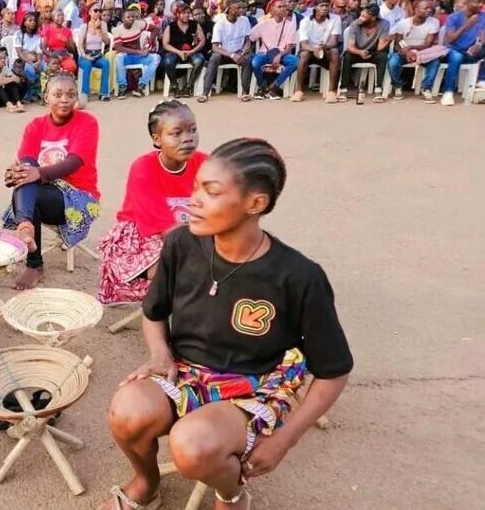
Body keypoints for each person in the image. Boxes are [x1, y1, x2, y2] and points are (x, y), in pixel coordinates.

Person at [102, 136, 353, 510]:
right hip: (185, 370)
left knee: (192, 446)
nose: (194, 201)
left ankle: (232, 496)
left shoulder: (298, 277)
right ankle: (147, 482)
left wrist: (286, 440)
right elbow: (154, 313)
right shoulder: (181, 244)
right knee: (126, 411)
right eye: (195, 188)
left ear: (255, 203)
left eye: (211, 191)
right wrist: (159, 354)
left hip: (255, 383)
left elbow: (333, 372)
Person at [97, 99, 206, 306]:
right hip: (142, 236)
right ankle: (166, 309)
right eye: (176, 133)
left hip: (191, 232)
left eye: (192, 130)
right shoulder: (144, 167)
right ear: (157, 140)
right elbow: (166, 230)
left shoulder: (204, 163)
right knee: (178, 260)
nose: (188, 139)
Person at [2, 73, 100, 290]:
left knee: (29, 179)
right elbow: (26, 165)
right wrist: (14, 174)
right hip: (43, 192)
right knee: (25, 171)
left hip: (78, 197)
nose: (64, 99)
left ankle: (27, 239)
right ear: (46, 97)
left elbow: (74, 162)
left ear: (77, 99)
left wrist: (39, 173)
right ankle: (30, 247)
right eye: (57, 94)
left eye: (70, 94)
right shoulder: (35, 126)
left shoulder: (87, 122)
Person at [388, 0, 443, 102]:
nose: (429, 10)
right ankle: (397, 86)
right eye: (425, 8)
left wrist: (411, 48)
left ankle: (426, 89)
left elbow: (428, 44)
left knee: (435, 61)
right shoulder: (403, 24)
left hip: (423, 53)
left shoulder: (434, 22)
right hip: (405, 52)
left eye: (431, 8)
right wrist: (407, 51)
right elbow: (397, 42)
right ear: (416, 9)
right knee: (393, 61)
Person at [200, 0, 253, 103]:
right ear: (229, 9)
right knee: (214, 57)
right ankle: (205, 93)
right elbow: (215, 47)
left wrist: (245, 49)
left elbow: (248, 39)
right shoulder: (220, 24)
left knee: (248, 58)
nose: (241, 10)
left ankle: (245, 92)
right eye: (238, 8)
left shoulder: (245, 20)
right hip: (225, 53)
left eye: (242, 8)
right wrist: (232, 55)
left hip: (239, 52)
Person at [292, 0, 342, 103]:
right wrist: (314, 49)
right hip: (310, 51)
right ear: (315, 7)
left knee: (335, 52)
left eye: (327, 6)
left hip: (326, 50)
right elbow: (304, 44)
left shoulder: (335, 19)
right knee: (304, 55)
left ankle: (331, 92)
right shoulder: (305, 21)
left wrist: (324, 47)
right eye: (321, 6)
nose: (324, 8)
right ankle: (299, 91)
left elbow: (334, 41)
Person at [439, 0, 485, 106]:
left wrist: (478, 45)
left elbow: (483, 34)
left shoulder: (483, 17)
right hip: (453, 51)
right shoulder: (453, 18)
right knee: (456, 56)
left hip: (471, 53)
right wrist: (467, 24)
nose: (481, 5)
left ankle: (482, 80)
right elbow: (450, 39)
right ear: (468, 2)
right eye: (478, 2)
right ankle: (448, 93)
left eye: (483, 2)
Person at [339, 3, 390, 103]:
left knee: (383, 56)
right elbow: (350, 47)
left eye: (363, 16)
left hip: (373, 52)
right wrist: (360, 52)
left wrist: (389, 40)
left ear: (373, 18)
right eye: (360, 15)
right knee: (347, 56)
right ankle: (343, 90)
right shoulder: (355, 24)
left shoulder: (384, 24)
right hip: (356, 51)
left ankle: (378, 90)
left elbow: (380, 47)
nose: (360, 18)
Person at [248, 0, 298, 100]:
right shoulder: (264, 23)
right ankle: (262, 86)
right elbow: (250, 37)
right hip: (265, 53)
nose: (283, 9)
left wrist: (279, 55)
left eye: (284, 7)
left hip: (282, 54)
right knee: (255, 62)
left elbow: (289, 47)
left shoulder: (290, 25)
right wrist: (246, 48)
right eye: (279, 7)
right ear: (272, 9)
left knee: (296, 62)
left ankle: (274, 87)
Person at [112, 3, 159, 99]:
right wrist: (139, 52)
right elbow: (119, 48)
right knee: (119, 57)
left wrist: (147, 45)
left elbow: (155, 29)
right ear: (122, 19)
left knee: (156, 58)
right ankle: (122, 87)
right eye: (128, 17)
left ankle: (141, 86)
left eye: (133, 16)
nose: (131, 18)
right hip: (126, 57)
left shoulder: (138, 24)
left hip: (138, 57)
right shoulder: (117, 30)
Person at [162, 2, 207, 99]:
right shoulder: (171, 26)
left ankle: (188, 86)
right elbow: (165, 44)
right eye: (183, 13)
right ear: (178, 14)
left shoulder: (195, 25)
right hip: (175, 52)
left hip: (191, 52)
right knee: (168, 61)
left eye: (188, 13)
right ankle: (175, 86)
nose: (186, 15)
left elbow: (202, 41)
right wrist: (178, 52)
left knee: (200, 60)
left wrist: (192, 51)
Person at [77, 5, 112, 101]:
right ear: (90, 12)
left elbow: (107, 42)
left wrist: (100, 29)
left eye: (99, 11)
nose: (98, 13)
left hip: (97, 56)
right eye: (95, 10)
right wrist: (85, 56)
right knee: (87, 65)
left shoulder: (103, 24)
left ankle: (104, 93)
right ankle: (85, 93)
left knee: (106, 63)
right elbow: (80, 45)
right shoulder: (85, 26)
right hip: (86, 55)